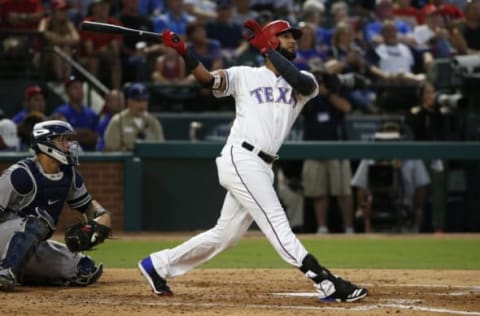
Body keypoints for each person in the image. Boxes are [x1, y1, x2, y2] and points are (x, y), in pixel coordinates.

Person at [138, 19, 368, 302]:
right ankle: (324, 281)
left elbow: (300, 83)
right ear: (271, 41)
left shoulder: (305, 80)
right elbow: (207, 80)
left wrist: (269, 50)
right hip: (241, 157)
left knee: (225, 235)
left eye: (293, 37)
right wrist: (185, 52)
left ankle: (157, 264)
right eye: (285, 37)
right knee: (275, 220)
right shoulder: (244, 74)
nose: (293, 41)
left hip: (264, 165)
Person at [0, 120, 111, 291]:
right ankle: (5, 272)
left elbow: (88, 207)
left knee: (84, 268)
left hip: (26, 246)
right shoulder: (20, 175)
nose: (69, 145)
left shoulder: (69, 174)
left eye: (69, 140)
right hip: (4, 239)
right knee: (38, 220)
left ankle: (19, 271)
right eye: (62, 140)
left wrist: (103, 218)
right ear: (45, 142)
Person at [301, 68, 355, 235]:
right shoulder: (309, 98)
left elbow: (347, 107)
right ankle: (322, 227)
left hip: (337, 150)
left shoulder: (335, 90)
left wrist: (327, 93)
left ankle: (349, 228)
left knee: (343, 192)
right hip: (314, 149)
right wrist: (311, 91)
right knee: (318, 192)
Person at [351, 122, 430, 233]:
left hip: (403, 205)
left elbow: (421, 186)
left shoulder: (412, 157)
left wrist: (418, 209)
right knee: (368, 205)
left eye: (393, 138)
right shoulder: (370, 157)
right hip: (376, 204)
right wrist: (360, 208)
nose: (389, 142)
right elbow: (360, 185)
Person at [103, 83, 165, 151]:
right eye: (138, 101)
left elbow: (160, 148)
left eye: (144, 100)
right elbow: (111, 150)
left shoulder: (153, 122)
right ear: (129, 102)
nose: (142, 105)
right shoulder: (118, 121)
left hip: (149, 160)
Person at [52, 76, 99, 151]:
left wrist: (74, 134)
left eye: (80, 87)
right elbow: (61, 136)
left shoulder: (91, 113)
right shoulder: (60, 112)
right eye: (75, 88)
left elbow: (95, 138)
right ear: (67, 92)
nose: (79, 90)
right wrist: (85, 133)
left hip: (90, 156)